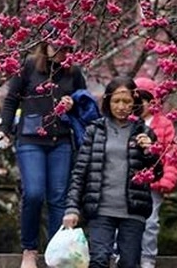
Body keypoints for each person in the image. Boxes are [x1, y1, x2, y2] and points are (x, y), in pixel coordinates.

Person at [0, 32, 89, 268]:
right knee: (35, 192)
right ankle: (30, 249)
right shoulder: (28, 67)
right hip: (30, 139)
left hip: (61, 141)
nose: (61, 52)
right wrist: (4, 129)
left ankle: (58, 253)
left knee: (58, 198)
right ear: (45, 44)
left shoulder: (73, 71)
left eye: (65, 48)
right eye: (56, 46)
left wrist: (73, 103)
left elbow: (84, 102)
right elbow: (11, 100)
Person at [61, 76, 162, 268]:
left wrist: (149, 152)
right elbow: (80, 172)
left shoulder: (145, 133)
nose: (121, 106)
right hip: (100, 209)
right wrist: (72, 208)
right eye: (116, 101)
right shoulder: (95, 130)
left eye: (127, 102)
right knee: (98, 260)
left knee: (129, 263)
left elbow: (156, 173)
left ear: (135, 103)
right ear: (108, 102)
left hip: (133, 211)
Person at [133, 76, 177, 268]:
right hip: (128, 183)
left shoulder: (164, 124)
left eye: (143, 101)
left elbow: (171, 155)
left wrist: (166, 180)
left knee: (150, 223)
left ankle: (147, 259)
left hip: (153, 183)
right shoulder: (127, 122)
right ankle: (122, 254)